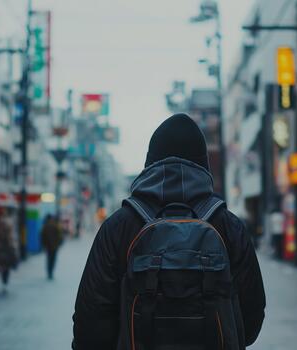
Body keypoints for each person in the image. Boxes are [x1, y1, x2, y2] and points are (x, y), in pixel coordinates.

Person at [72, 114, 266, 349]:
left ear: (149, 163)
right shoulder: (228, 225)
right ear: (203, 164)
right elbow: (251, 317)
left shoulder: (119, 225)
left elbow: (91, 321)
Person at [0, 217, 17, 292]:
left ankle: (4, 281)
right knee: (5, 268)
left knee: (3, 268)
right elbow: (12, 243)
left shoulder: (3, 232)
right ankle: (5, 281)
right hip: (4, 253)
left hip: (3, 252)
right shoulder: (7, 232)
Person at [41, 215, 62, 280]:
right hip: (54, 247)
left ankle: (49, 272)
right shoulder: (56, 225)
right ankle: (51, 272)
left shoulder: (45, 226)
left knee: (49, 259)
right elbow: (59, 236)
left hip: (48, 247)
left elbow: (42, 236)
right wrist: (58, 244)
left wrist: (44, 245)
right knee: (53, 259)